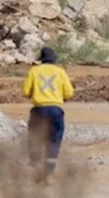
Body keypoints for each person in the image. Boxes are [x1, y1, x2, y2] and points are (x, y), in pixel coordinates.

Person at [22, 46, 74, 184]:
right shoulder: (60, 72)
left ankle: (36, 164)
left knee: (34, 137)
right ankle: (49, 170)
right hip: (56, 110)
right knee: (54, 140)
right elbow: (69, 93)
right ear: (54, 60)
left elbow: (25, 92)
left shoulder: (34, 71)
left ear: (41, 60)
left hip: (39, 110)